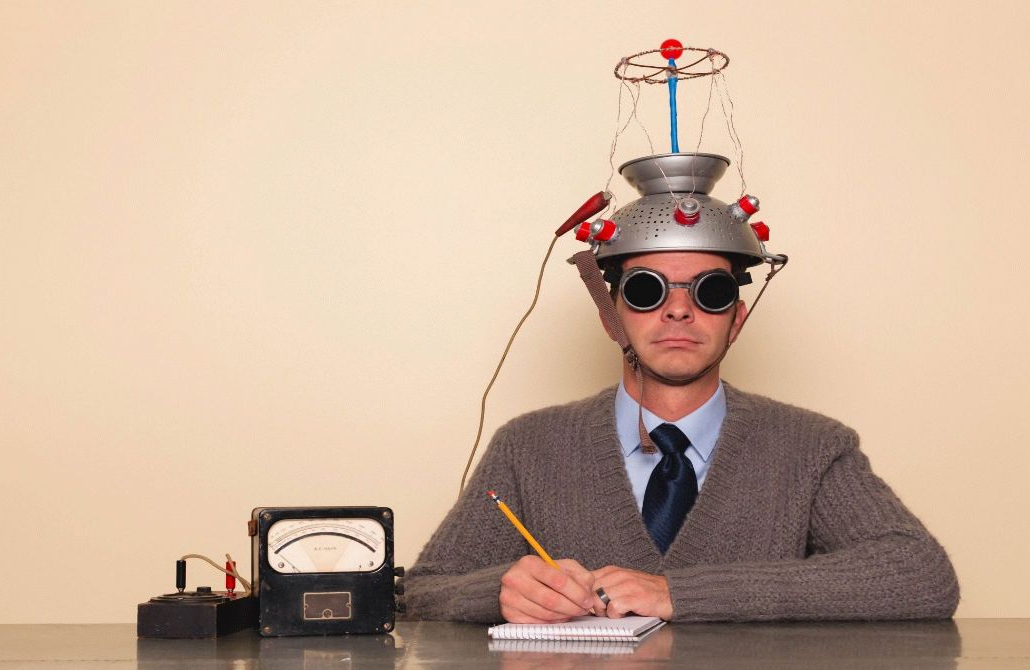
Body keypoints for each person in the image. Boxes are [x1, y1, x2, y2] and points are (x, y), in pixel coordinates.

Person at [404, 153, 960, 623]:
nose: (677, 310)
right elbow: (419, 593)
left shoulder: (811, 446)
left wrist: (681, 593)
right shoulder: (529, 446)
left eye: (709, 292)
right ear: (610, 318)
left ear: (736, 319)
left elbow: (921, 575)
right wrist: (500, 591)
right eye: (646, 291)